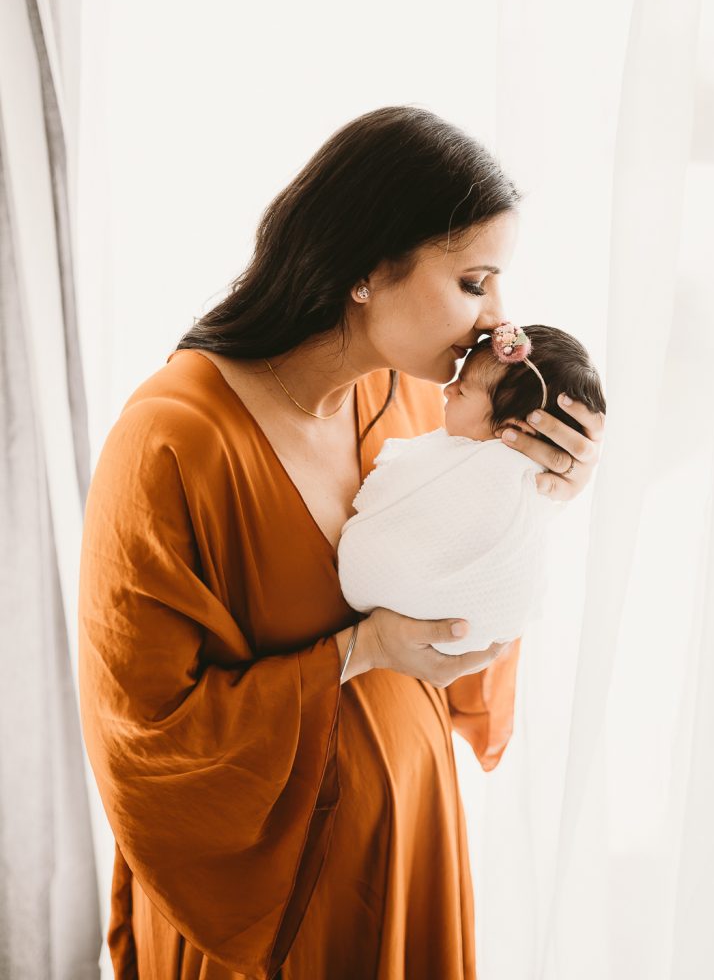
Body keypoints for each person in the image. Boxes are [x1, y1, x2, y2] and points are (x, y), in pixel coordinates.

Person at [78, 105, 605, 980]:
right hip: (270, 902)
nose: (496, 318)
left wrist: (534, 494)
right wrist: (358, 649)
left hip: (410, 851)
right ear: (366, 269)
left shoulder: (408, 405)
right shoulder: (172, 441)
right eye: (475, 281)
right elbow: (143, 733)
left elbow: (470, 625)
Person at [336, 322, 607, 656]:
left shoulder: (501, 470)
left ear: (511, 430)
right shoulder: (434, 403)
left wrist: (556, 499)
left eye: (462, 390)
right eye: (473, 283)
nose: (448, 390)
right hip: (466, 631)